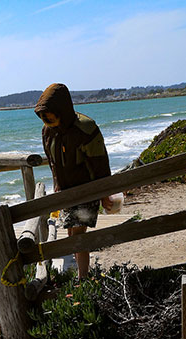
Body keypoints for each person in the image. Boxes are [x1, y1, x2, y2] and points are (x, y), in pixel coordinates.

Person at [34, 83, 113, 279]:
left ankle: (83, 278)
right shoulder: (48, 132)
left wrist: (105, 195)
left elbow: (100, 164)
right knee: (71, 234)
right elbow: (53, 164)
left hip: (88, 191)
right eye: (43, 117)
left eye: (50, 116)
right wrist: (57, 188)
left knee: (78, 235)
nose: (46, 121)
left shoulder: (85, 129)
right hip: (66, 192)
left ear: (62, 110)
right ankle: (82, 275)